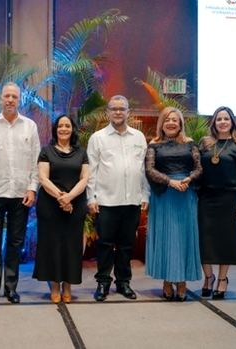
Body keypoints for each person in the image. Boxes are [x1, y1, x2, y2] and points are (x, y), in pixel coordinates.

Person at [0, 82, 40, 305]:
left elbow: (36, 161)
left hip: (20, 195)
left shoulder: (30, 127)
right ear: (1, 99)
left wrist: (33, 188)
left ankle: (11, 288)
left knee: (15, 242)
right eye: (7, 96)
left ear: (20, 99)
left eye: (14, 96)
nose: (11, 100)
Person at [86, 95, 149, 302]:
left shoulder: (138, 137)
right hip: (105, 201)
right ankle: (103, 282)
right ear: (108, 112)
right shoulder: (98, 138)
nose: (118, 112)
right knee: (104, 244)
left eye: (122, 109)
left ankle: (123, 282)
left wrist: (145, 194)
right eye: (114, 109)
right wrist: (91, 198)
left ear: (128, 112)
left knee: (126, 245)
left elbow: (143, 169)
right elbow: (91, 171)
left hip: (132, 200)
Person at [145, 106, 202, 302]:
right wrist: (170, 182)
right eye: (167, 119)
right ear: (162, 123)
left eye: (175, 120)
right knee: (166, 237)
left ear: (180, 124)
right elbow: (149, 170)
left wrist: (188, 179)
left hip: (186, 193)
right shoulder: (154, 144)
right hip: (164, 194)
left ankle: (182, 281)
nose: (171, 123)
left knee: (184, 238)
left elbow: (199, 169)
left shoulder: (190, 143)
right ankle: (168, 281)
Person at [32, 115, 89, 304]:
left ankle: (68, 285)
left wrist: (70, 197)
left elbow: (84, 179)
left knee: (71, 246)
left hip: (75, 204)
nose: (64, 129)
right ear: (55, 129)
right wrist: (61, 197)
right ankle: (55, 285)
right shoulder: (46, 151)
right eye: (60, 126)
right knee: (52, 245)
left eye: (67, 125)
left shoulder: (81, 152)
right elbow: (43, 178)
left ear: (73, 129)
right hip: (50, 205)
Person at [197, 106, 236, 300]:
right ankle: (208, 277)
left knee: (225, 242)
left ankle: (222, 280)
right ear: (214, 122)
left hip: (230, 199)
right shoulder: (204, 144)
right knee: (204, 241)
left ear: (232, 122)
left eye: (226, 119)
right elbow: (197, 170)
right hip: (205, 199)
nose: (222, 122)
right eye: (218, 119)